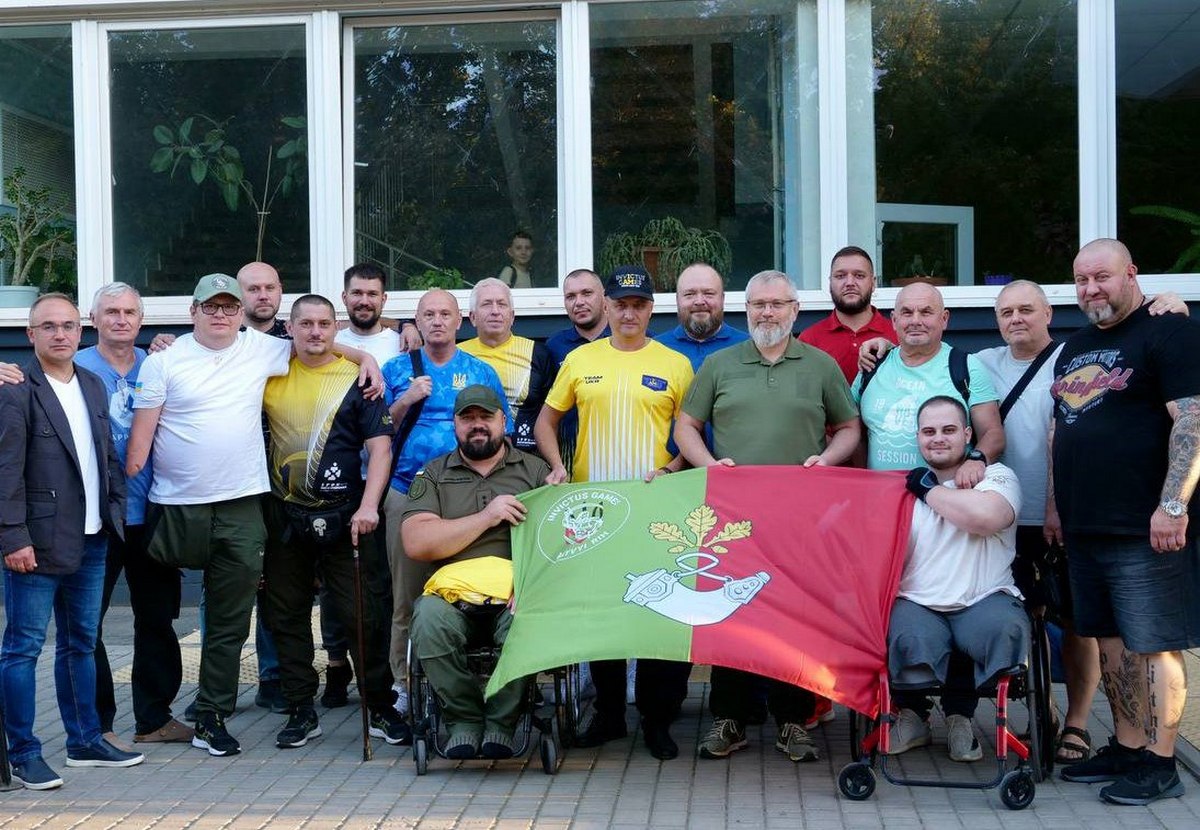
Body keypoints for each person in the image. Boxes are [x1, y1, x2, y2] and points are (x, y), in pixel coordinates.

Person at [127, 273, 381, 757]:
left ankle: (211, 716)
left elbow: (315, 344)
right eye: (211, 306)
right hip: (175, 507)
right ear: (193, 311)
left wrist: (364, 356)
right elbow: (138, 449)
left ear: (240, 313)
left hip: (243, 503)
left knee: (230, 621)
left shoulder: (261, 349)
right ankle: (149, 715)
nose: (220, 315)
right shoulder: (163, 362)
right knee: (155, 614)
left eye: (229, 307)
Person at [675, 270, 860, 763]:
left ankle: (793, 721)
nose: (767, 313)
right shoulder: (720, 364)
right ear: (747, 309)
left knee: (794, 620)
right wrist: (709, 466)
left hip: (800, 520)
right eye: (758, 304)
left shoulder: (819, 365)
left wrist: (828, 461)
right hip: (732, 519)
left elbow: (849, 427)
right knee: (731, 617)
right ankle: (729, 719)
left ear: (795, 310)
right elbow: (686, 425)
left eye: (777, 304)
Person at [1050, 238, 1200, 806]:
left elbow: (1192, 422)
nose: (1091, 289)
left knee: (1155, 644)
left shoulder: (1168, 333)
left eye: (1102, 277)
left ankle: (1162, 763)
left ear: (1131, 273)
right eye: (1081, 279)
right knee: (1110, 641)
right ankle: (1130, 747)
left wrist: (1174, 505)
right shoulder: (1074, 348)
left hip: (1145, 525)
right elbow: (1063, 431)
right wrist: (1056, 508)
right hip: (1086, 525)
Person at [534, 265, 694, 760]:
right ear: (607, 306)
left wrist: (670, 469)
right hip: (594, 512)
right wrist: (558, 466)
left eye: (638, 305)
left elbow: (691, 434)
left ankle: (656, 720)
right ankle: (608, 716)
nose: (629, 313)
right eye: (621, 304)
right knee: (603, 615)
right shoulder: (580, 360)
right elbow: (545, 421)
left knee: (658, 613)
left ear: (651, 309)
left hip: (654, 510)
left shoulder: (675, 364)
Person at [0, 293, 143, 791]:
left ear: (80, 331)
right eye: (48, 326)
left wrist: (114, 512)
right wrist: (12, 537)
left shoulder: (92, 383)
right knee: (23, 649)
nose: (59, 334)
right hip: (34, 544)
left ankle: (85, 741)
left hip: (93, 537)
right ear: (30, 335)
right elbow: (6, 471)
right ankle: (23, 754)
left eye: (67, 325)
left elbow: (106, 457)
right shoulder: (15, 389)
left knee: (81, 642)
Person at [260, 294, 409, 749]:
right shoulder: (267, 370)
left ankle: (379, 707)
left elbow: (380, 450)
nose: (315, 332)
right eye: (305, 323)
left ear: (335, 327)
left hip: (348, 517)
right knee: (286, 616)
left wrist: (370, 507)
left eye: (324, 324)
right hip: (286, 517)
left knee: (365, 615)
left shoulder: (359, 380)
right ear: (290, 327)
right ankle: (301, 710)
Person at [380, 289, 510, 717]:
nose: (437, 321)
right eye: (428, 314)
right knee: (407, 594)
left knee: (472, 588)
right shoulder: (396, 369)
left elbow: (500, 430)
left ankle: (473, 677)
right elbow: (376, 432)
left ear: (460, 321)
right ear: (416, 322)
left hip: (467, 492)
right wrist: (406, 399)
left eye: (445, 314)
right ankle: (404, 683)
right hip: (407, 491)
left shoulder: (479, 371)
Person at [403, 385, 551, 759]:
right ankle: (464, 721)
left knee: (529, 621)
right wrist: (487, 517)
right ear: (454, 424)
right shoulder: (434, 474)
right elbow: (417, 541)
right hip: (452, 597)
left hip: (517, 594)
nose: (477, 424)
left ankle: (502, 723)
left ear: (504, 420)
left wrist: (531, 585)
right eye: (467, 418)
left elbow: (557, 543)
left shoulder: (535, 471)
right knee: (427, 619)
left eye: (486, 416)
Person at [76, 284, 191, 747]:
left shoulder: (159, 363)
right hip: (96, 517)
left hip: (153, 512)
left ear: (141, 319)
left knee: (157, 619)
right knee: (88, 623)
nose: (120, 319)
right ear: (93, 318)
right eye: (111, 312)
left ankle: (154, 720)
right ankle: (97, 724)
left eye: (128, 312)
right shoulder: (74, 366)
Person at [889, 396, 1028, 763]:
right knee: (900, 627)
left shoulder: (997, 476)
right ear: (917, 437)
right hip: (917, 599)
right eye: (929, 431)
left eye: (948, 430)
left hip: (985, 595)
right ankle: (911, 716)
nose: (938, 438)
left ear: (967, 434)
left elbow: (985, 518)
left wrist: (929, 491)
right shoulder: (900, 487)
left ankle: (959, 718)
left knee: (997, 627)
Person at [460, 278, 556, 454]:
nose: (495, 311)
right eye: (486, 304)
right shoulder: (457, 355)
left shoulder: (537, 353)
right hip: (468, 454)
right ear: (472, 317)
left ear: (512, 316)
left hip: (525, 457)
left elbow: (552, 414)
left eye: (502, 304)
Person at [544, 268, 610, 477]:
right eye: (570, 296)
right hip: (571, 460)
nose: (579, 302)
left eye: (587, 293)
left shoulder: (629, 340)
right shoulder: (554, 346)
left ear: (604, 297)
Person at [799, 245, 897, 383]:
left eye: (859, 275)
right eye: (840, 276)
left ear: (873, 283)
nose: (850, 283)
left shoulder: (898, 335)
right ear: (830, 283)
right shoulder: (809, 340)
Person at [655, 262, 747, 371]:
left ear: (722, 299)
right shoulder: (657, 349)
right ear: (677, 300)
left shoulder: (748, 347)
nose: (699, 302)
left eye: (708, 293)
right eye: (689, 294)